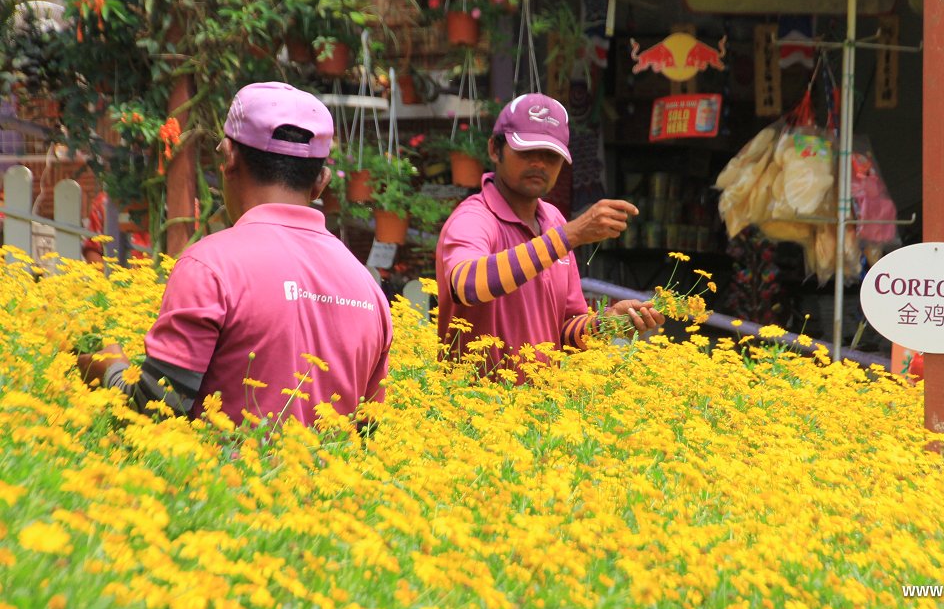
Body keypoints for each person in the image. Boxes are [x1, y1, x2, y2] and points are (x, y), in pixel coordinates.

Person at [78, 82, 392, 425]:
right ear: (321, 182)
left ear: (228, 157)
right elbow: (366, 435)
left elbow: (155, 414)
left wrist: (110, 371)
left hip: (217, 478)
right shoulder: (369, 290)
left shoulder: (209, 267)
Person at [435, 92, 664, 375]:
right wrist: (569, 235)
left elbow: (566, 330)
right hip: (474, 409)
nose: (540, 164)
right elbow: (466, 285)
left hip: (541, 410)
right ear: (495, 150)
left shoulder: (554, 220)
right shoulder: (474, 218)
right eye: (526, 151)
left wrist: (606, 322)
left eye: (551, 155)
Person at [81, 192, 152, 263]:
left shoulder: (159, 203)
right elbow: (92, 250)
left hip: (153, 270)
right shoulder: (104, 202)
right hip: (114, 269)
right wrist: (110, 272)